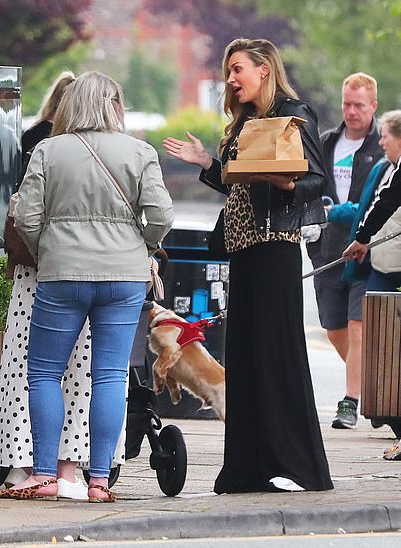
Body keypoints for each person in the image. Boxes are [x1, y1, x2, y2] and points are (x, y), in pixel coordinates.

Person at [0, 71, 174, 502]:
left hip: (62, 274)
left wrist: (47, 250)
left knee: (43, 373)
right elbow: (162, 215)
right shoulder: (140, 151)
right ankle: (96, 481)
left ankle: (43, 474)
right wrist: (141, 245)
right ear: (114, 104)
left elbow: (26, 217)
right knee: (109, 376)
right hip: (124, 276)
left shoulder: (48, 150)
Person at [162, 38, 333, 494]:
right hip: (242, 247)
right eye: (228, 72)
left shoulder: (294, 114)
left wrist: (283, 180)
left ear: (263, 69)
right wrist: (206, 163)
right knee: (245, 358)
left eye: (237, 69)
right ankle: (248, 468)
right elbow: (240, 184)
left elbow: (315, 180)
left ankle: (299, 467)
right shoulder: (245, 122)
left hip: (274, 247)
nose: (231, 79)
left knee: (277, 355)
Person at [306, 73, 383, 429]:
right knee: (333, 327)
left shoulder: (384, 147)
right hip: (327, 249)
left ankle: (350, 401)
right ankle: (377, 389)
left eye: (359, 105)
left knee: (357, 326)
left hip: (367, 251)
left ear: (374, 106)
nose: (351, 112)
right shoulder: (326, 142)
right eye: (347, 104)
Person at [343, 110, 401, 457]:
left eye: (387, 136)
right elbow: (386, 201)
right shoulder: (393, 171)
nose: (381, 142)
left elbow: (388, 201)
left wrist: (362, 237)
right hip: (384, 262)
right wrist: (363, 238)